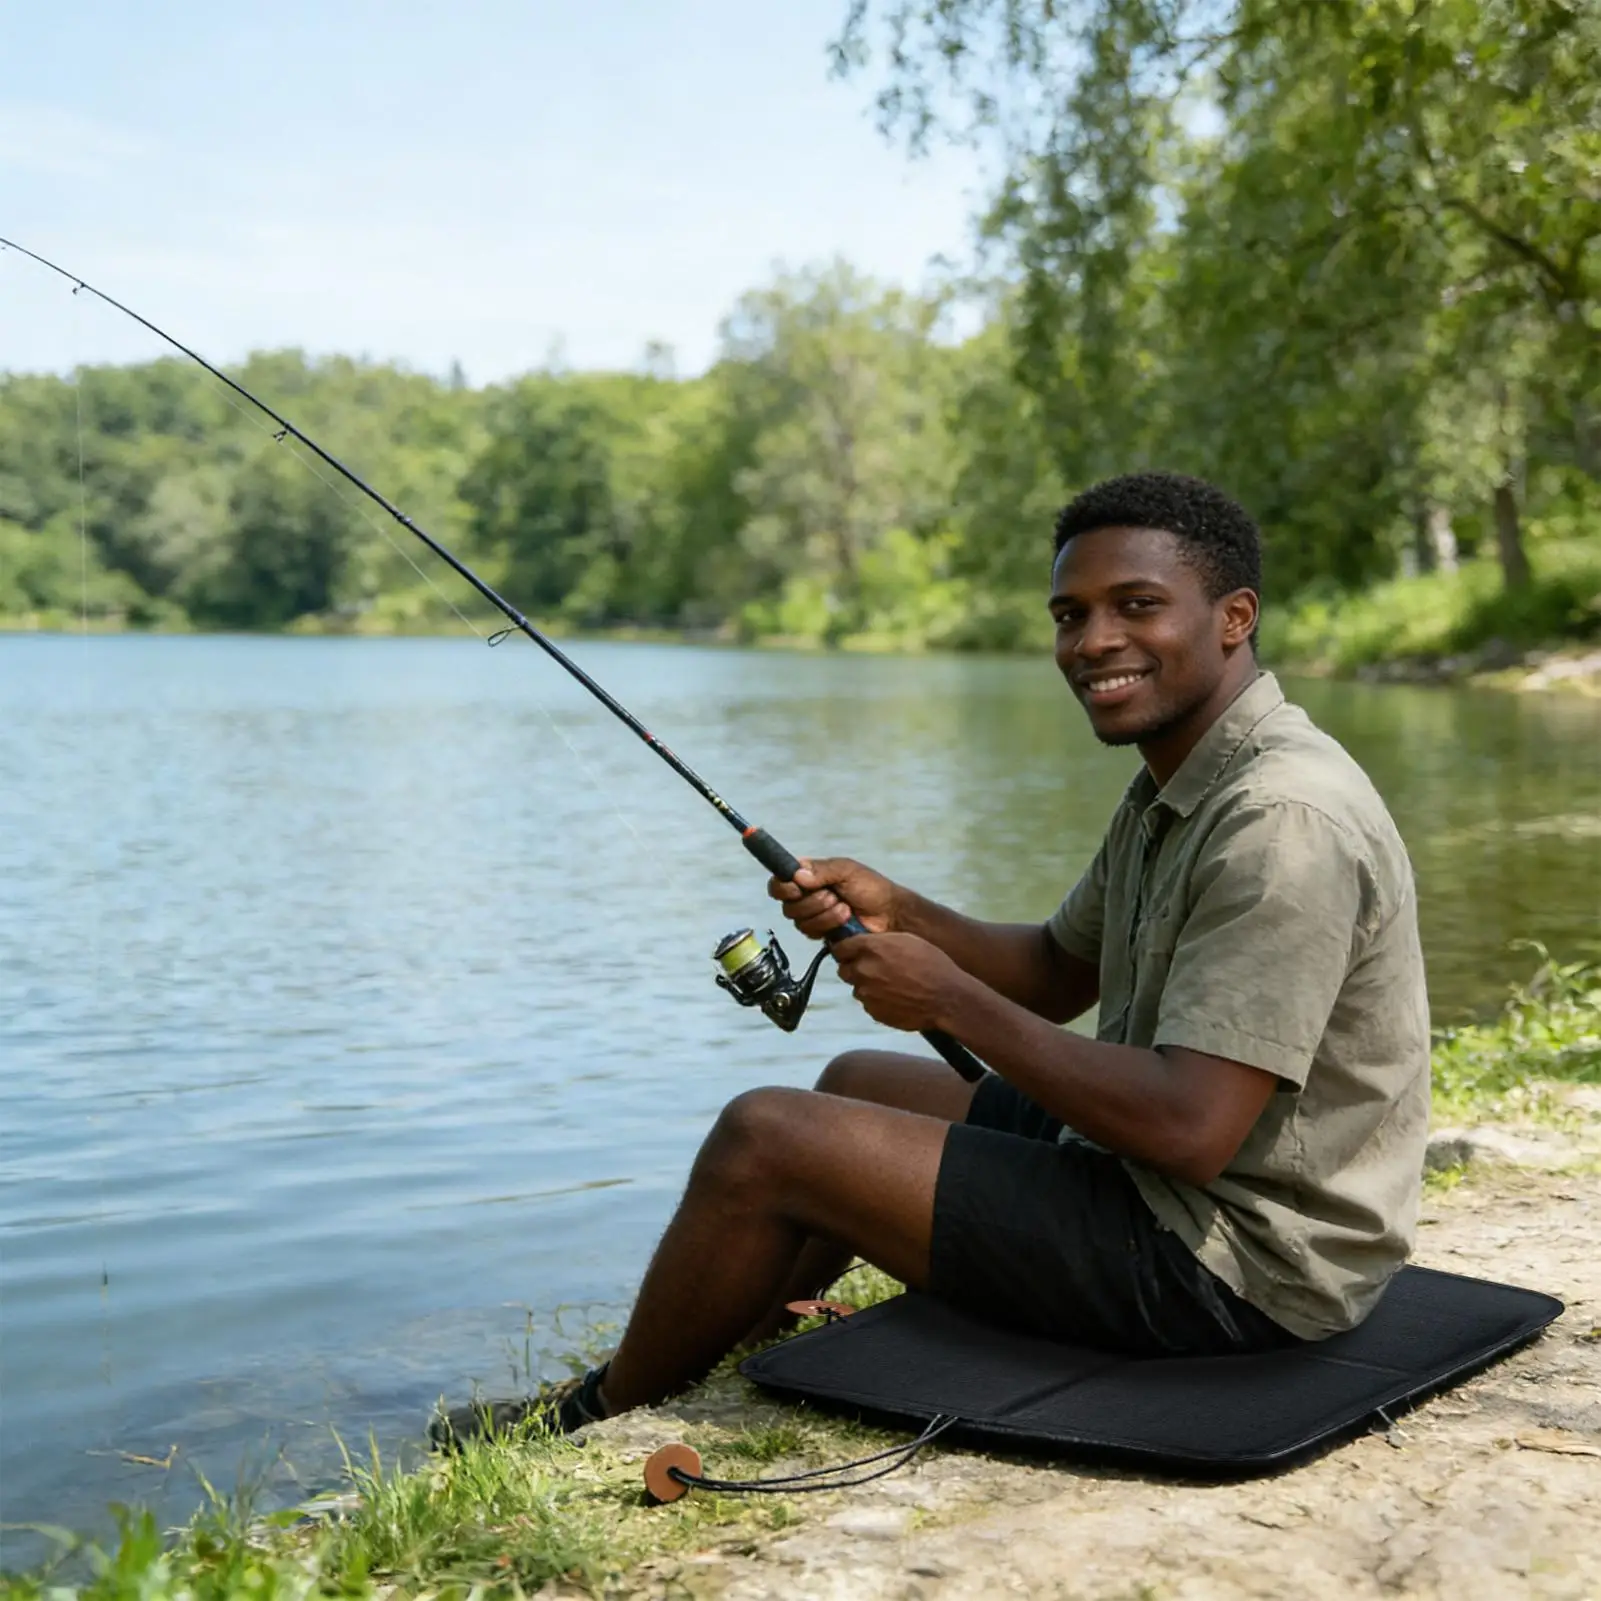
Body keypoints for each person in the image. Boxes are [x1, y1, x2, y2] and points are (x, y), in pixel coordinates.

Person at [431, 470, 1431, 1446]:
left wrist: (946, 997)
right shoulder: (1184, 777)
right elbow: (1051, 965)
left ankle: (598, 1417)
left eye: (1134, 606)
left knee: (764, 1134)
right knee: (855, 1078)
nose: (1091, 642)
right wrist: (899, 908)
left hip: (1238, 1269)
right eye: (1067, 614)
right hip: (1175, 1190)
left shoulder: (1279, 820)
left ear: (1232, 616)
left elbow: (1186, 1127)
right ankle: (736, 1340)